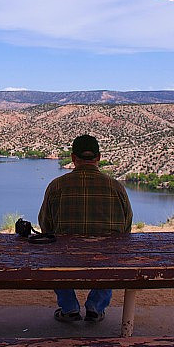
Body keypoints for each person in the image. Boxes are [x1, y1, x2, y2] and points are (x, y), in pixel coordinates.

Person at [38, 134, 133, 323]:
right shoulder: (117, 187)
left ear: (73, 158)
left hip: (66, 261)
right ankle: (96, 307)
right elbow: (126, 229)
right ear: (99, 157)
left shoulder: (57, 186)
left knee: (54, 252)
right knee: (113, 252)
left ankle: (69, 307)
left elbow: (45, 225)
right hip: (105, 262)